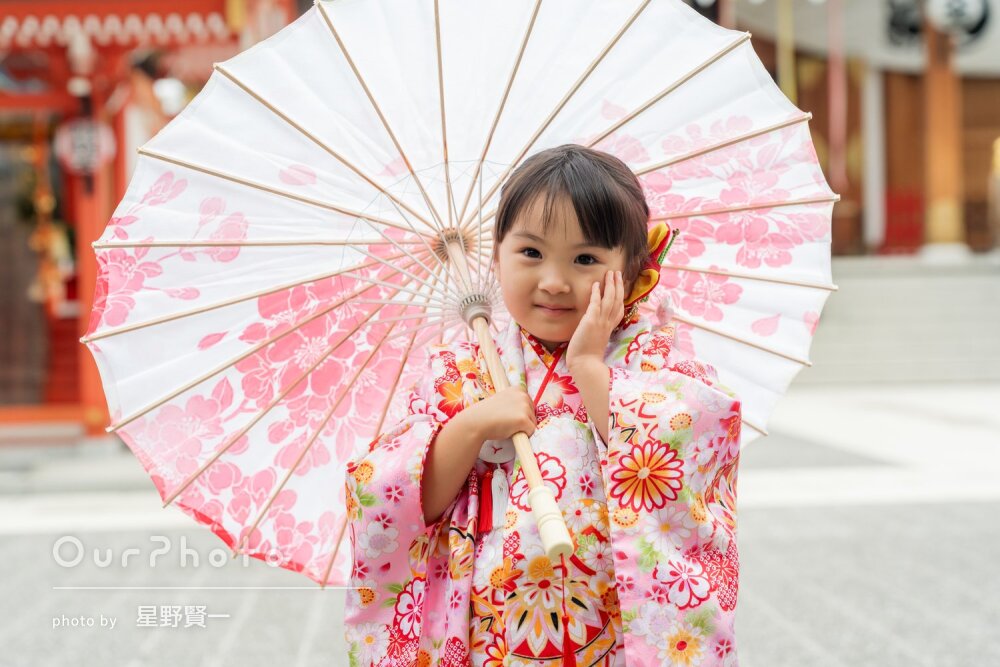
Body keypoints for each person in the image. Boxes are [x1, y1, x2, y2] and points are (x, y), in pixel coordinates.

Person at [343, 144, 742, 667]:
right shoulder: (460, 367)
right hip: (490, 630)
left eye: (585, 259)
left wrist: (590, 369)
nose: (554, 281)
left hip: (610, 628)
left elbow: (684, 460)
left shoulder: (652, 355)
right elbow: (394, 497)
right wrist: (472, 425)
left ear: (631, 270)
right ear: (497, 254)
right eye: (531, 253)